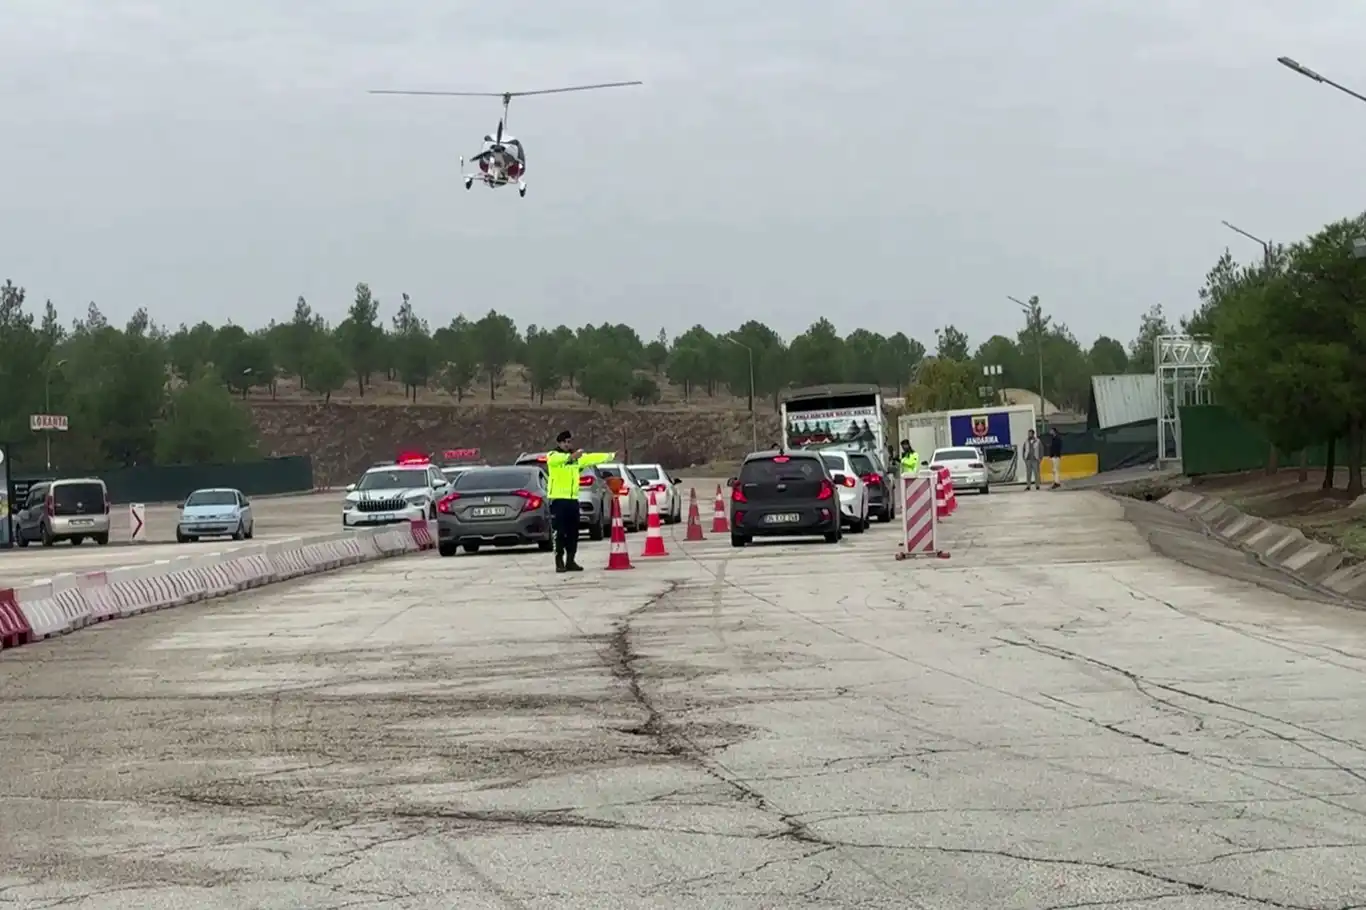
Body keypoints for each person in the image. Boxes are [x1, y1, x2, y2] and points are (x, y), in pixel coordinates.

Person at [545, 430, 615, 573]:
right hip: (558, 500)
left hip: (573, 500)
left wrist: (610, 456)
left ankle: (570, 560)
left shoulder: (576, 459)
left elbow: (591, 458)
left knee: (573, 532)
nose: (567, 444)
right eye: (565, 442)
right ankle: (559, 561)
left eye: (569, 442)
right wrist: (573, 456)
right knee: (560, 532)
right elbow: (560, 459)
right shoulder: (553, 456)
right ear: (559, 443)